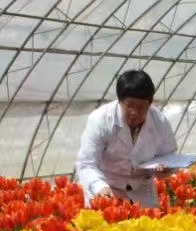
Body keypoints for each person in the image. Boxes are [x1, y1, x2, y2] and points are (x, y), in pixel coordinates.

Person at [75, 70, 179, 209]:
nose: (134, 112)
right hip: (107, 188)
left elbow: (170, 155)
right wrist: (100, 187)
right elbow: (87, 163)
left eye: (141, 107)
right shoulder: (100, 120)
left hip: (142, 190)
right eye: (129, 105)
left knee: (145, 229)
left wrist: (166, 169)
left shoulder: (159, 121)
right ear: (120, 101)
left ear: (150, 104)